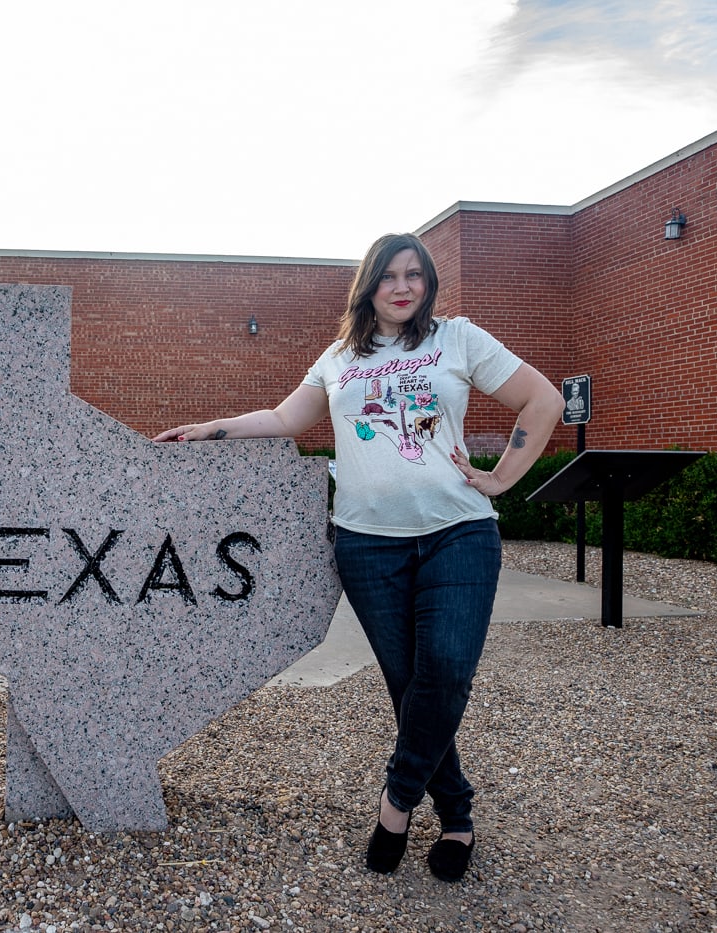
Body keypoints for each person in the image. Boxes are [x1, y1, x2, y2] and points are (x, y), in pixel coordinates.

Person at [153, 232, 563, 882]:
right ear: (369, 285)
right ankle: (456, 815)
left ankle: (396, 802)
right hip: (368, 546)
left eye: (415, 274)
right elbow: (288, 418)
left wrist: (502, 477)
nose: (403, 286)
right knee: (411, 687)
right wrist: (212, 428)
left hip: (458, 533)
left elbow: (543, 399)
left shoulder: (456, 339)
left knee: (447, 669)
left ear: (427, 283)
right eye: (389, 275)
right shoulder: (341, 355)